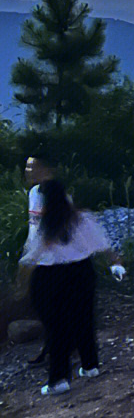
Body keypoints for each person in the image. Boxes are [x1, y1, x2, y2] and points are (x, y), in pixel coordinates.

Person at [20, 179, 124, 396]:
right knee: (83, 319)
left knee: (56, 327)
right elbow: (102, 244)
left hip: (51, 274)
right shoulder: (81, 217)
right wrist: (115, 263)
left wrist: (21, 281)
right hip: (82, 271)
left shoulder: (45, 225)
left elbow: (33, 254)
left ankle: (58, 379)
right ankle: (90, 365)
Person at [24, 155, 54, 366]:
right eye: (27, 167)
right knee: (41, 304)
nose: (28, 171)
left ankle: (55, 348)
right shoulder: (34, 193)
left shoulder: (57, 194)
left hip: (54, 259)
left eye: (32, 167)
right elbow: (33, 227)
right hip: (37, 257)